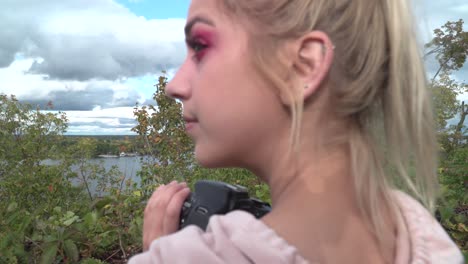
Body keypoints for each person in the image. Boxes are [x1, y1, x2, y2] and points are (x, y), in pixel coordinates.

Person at [129, 0, 464, 263]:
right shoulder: (425, 237)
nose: (175, 85)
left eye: (200, 47)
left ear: (302, 66)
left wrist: (160, 253)